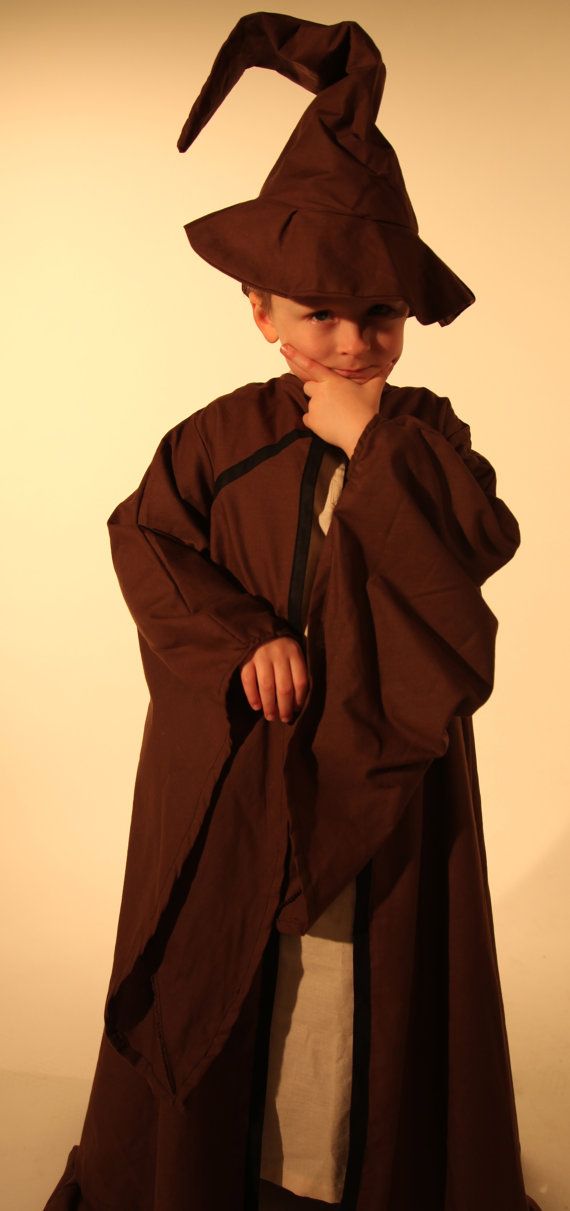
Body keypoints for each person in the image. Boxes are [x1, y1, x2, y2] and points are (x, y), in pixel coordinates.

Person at [43, 13, 542, 1211]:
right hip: (246, 765)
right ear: (261, 310)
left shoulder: (425, 439)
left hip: (380, 773)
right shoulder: (218, 440)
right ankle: (220, 1169)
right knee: (238, 960)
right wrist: (241, 642)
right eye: (321, 314)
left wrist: (372, 444)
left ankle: (348, 1176)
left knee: (358, 977)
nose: (354, 340)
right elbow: (145, 540)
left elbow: (475, 547)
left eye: (379, 317)